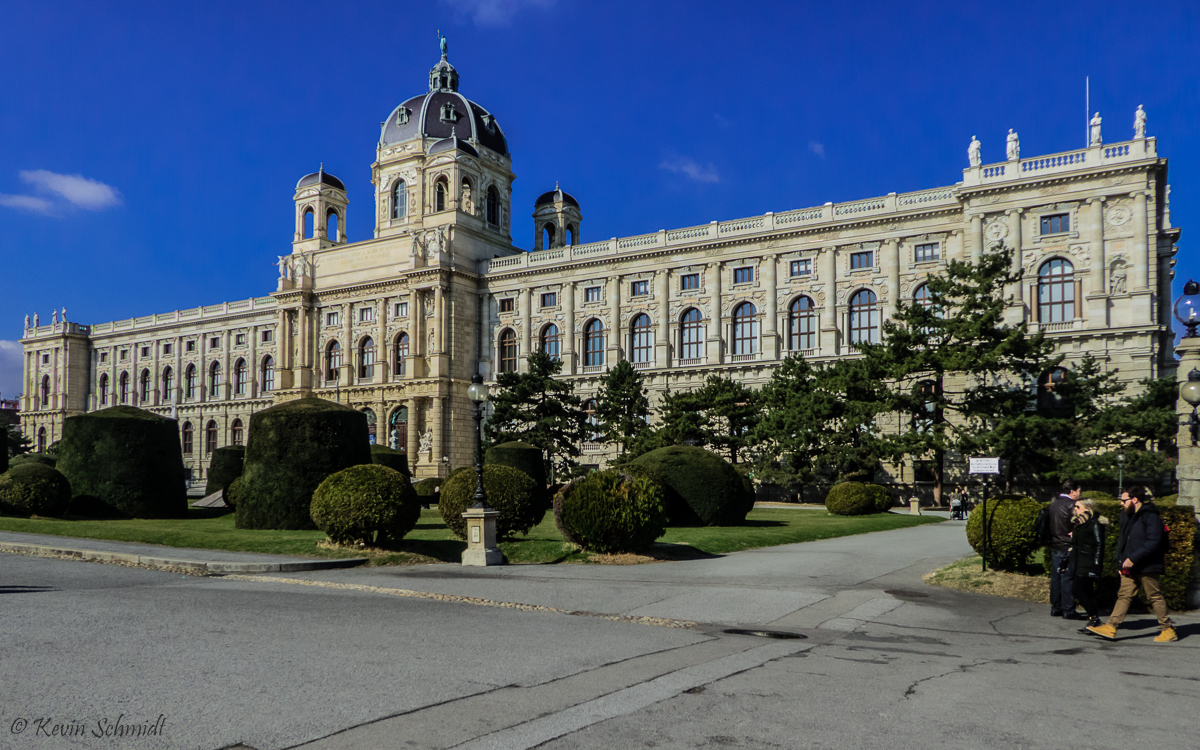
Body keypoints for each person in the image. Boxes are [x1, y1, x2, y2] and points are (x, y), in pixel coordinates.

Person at [1087, 487, 1176, 642]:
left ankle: (1168, 629)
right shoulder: (1128, 516)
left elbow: (1154, 541)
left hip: (1148, 564)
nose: (1121, 503)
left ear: (1135, 499)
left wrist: (1133, 558)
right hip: (1130, 565)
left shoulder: (1151, 516)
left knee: (1154, 596)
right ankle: (1111, 626)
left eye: (1124, 500)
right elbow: (1124, 542)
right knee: (1124, 595)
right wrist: (1121, 562)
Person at [1063, 497, 1107, 629]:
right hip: (1077, 561)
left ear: (1087, 508)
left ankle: (1093, 617)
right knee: (1087, 591)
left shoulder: (1095, 524)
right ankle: (1093, 620)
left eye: (1078, 507)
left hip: (1087, 562)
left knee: (1077, 590)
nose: (1075, 509)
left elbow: (1100, 546)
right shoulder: (1078, 523)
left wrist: (1096, 566)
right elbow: (1075, 545)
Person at [1048, 480, 1080, 618]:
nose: (1080, 494)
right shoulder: (1072, 505)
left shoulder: (1053, 504)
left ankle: (1056, 607)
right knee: (1067, 577)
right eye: (1079, 491)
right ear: (1072, 492)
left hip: (1055, 543)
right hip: (1068, 544)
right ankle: (1068, 609)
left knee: (1056, 576)